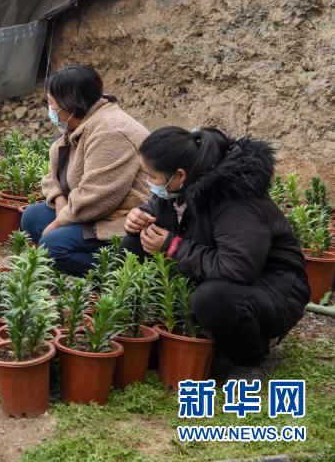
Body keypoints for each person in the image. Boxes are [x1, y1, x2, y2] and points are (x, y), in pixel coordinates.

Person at [121, 127, 310, 380]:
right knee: (133, 246)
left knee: (212, 298)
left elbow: (238, 267)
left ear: (179, 175)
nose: (149, 183)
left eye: (151, 177)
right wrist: (139, 217)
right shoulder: (183, 185)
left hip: (273, 288)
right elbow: (161, 208)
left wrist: (173, 246)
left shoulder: (235, 199)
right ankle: (148, 330)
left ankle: (253, 358)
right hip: (223, 271)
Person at [21, 65, 149, 275]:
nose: (51, 111)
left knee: (53, 245)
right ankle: (68, 258)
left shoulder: (111, 132)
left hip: (120, 221)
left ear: (70, 105)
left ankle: (123, 275)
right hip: (92, 214)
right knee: (32, 217)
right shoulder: (81, 123)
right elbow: (53, 176)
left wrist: (59, 222)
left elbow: (97, 197)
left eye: (53, 105)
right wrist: (61, 204)